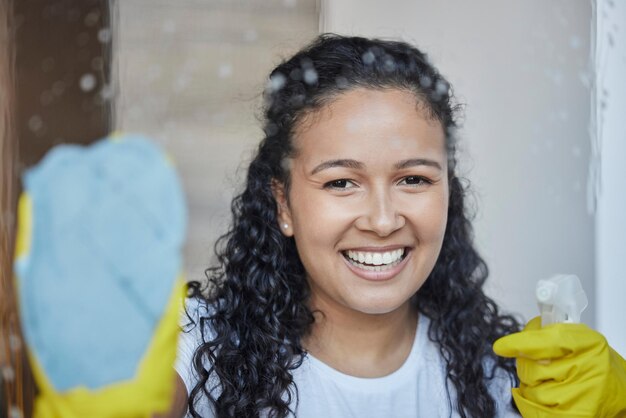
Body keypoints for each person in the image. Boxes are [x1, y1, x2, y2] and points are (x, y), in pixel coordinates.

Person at [164, 34, 626, 418]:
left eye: (413, 179)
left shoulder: (509, 381)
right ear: (283, 202)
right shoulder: (200, 352)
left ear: (449, 192)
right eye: (342, 182)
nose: (383, 221)